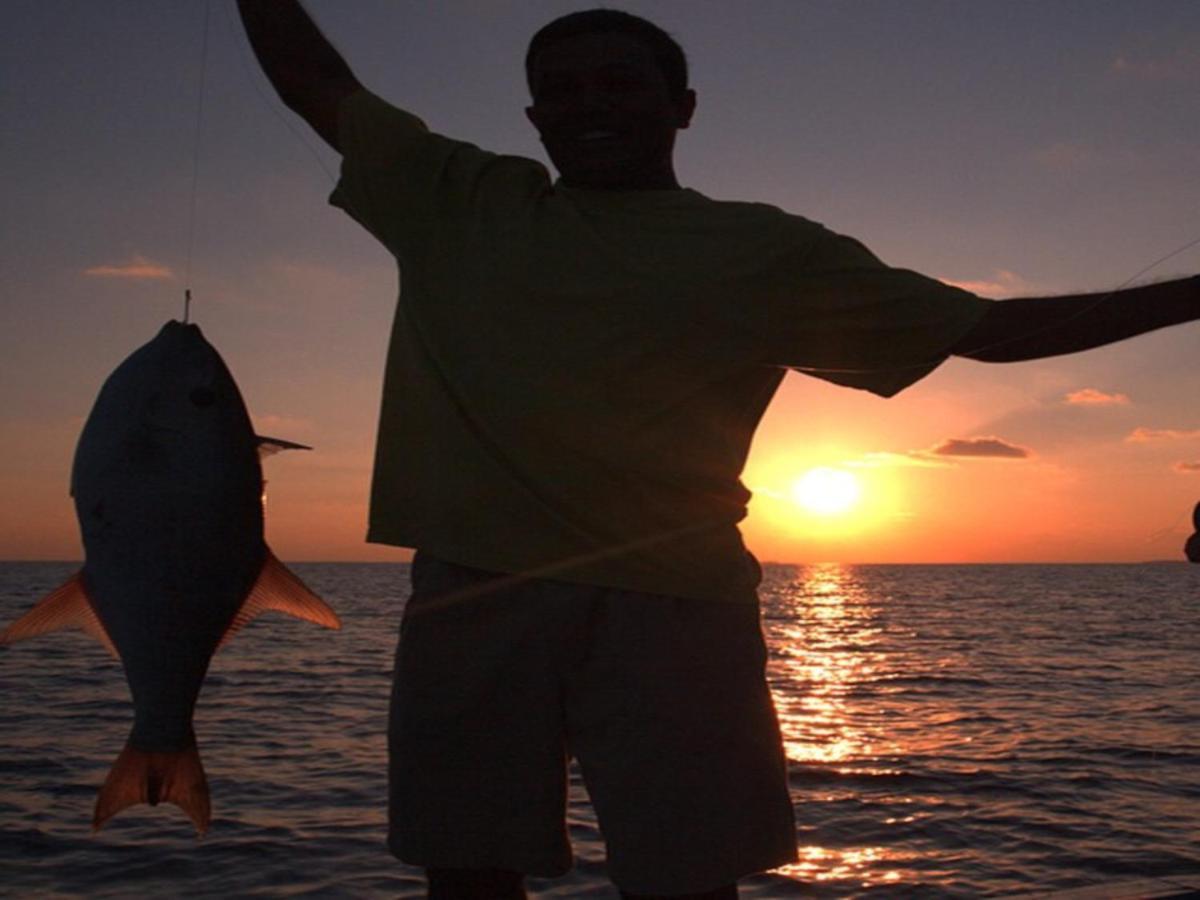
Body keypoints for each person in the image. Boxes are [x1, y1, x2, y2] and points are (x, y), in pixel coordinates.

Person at [237, 3, 1200, 898]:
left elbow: (989, 332)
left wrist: (1191, 293)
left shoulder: (765, 249)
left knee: (688, 881)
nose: (589, 107)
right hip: (471, 594)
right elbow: (309, 77)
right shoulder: (456, 197)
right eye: (562, 91)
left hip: (680, 609)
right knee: (469, 874)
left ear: (682, 105)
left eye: (619, 83)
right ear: (531, 114)